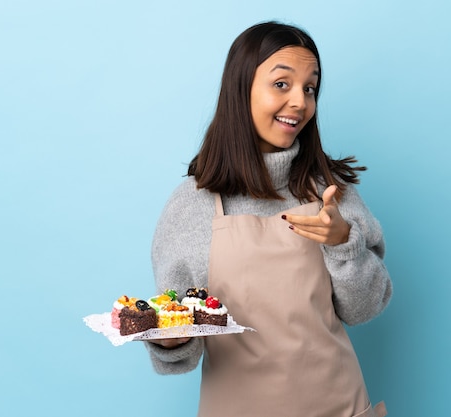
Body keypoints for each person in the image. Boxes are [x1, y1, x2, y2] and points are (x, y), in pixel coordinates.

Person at [145, 21, 392, 417]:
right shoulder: (192, 207)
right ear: (241, 90)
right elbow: (179, 348)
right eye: (282, 84)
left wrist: (344, 243)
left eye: (310, 88)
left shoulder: (331, 192)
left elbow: (365, 309)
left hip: (340, 406)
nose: (300, 101)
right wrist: (171, 339)